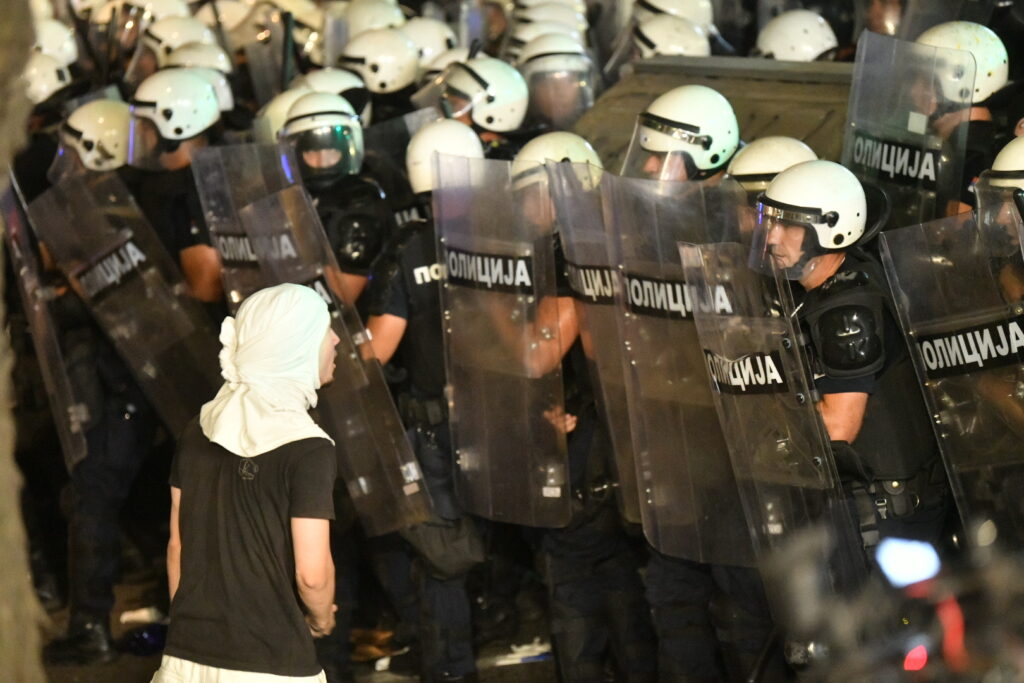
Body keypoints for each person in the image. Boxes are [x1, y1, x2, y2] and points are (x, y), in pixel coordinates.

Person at [151, 283, 341, 682]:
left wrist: (190, 632)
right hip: (271, 663)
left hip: (186, 658)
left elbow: (177, 546)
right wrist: (321, 618)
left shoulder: (197, 430)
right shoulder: (307, 448)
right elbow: (312, 574)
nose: (336, 340)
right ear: (294, 347)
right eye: (323, 330)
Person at [755, 160, 950, 546]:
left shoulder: (848, 309)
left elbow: (838, 428)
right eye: (769, 222)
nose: (771, 239)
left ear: (830, 229)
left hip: (884, 516)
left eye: (788, 225)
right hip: (868, 504)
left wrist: (762, 406)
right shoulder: (841, 278)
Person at [364, 119, 485, 683]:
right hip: (506, 426)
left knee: (443, 563)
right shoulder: (503, 239)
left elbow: (379, 351)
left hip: (436, 431)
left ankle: (452, 672)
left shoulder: (407, 249)